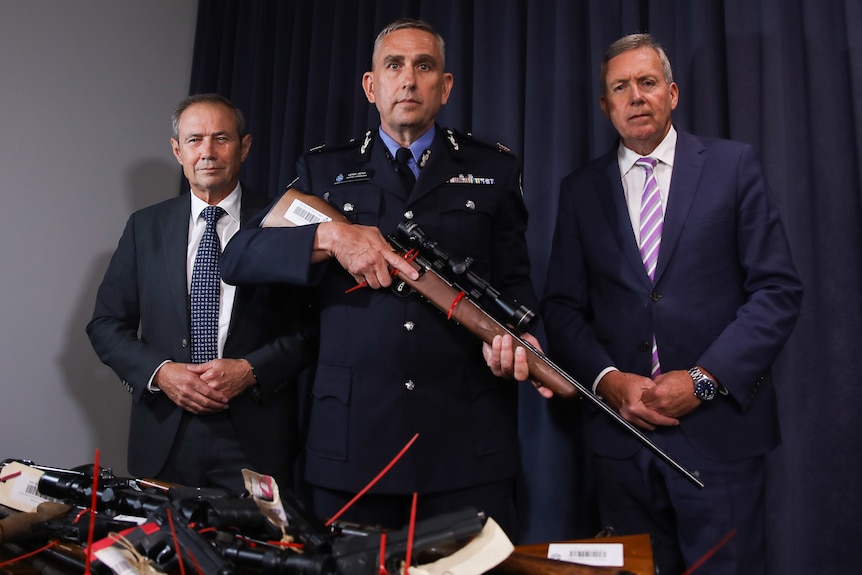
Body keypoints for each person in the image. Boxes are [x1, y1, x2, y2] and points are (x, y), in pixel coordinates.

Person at [220, 18, 544, 537]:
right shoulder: (325, 170)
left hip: (465, 443)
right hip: (354, 443)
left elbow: (516, 283)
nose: (409, 80)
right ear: (372, 86)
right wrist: (330, 239)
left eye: (424, 66)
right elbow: (239, 256)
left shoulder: (494, 169)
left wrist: (524, 340)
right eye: (394, 66)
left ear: (446, 85)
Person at [541, 33, 803, 574]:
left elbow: (777, 291)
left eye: (647, 82)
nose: (635, 96)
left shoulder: (734, 167)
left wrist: (703, 379)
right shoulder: (580, 190)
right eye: (621, 87)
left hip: (719, 438)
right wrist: (611, 382)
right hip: (622, 441)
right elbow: (562, 307)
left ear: (673, 93)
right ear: (605, 105)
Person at [87, 93, 314, 494]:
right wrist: (162, 373)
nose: (207, 152)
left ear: (244, 146)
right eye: (195, 140)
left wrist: (251, 370)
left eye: (221, 138)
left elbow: (312, 328)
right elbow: (106, 325)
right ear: (178, 150)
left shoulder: (283, 223)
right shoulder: (145, 227)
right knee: (164, 554)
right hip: (165, 436)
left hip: (255, 438)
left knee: (255, 554)